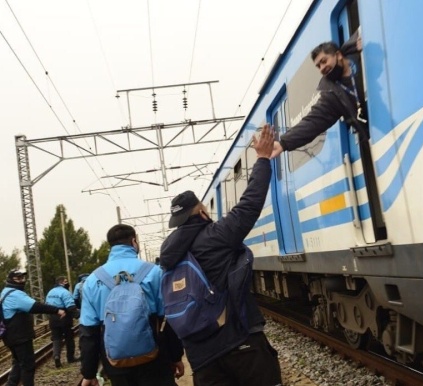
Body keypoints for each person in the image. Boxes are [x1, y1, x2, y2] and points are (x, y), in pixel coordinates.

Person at [160, 125, 282, 386]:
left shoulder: (167, 257)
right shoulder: (216, 235)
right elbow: (250, 205)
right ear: (201, 211)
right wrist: (262, 159)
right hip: (241, 345)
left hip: (202, 360)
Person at [79, 224, 185, 386]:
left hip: (116, 362)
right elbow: (169, 319)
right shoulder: (154, 272)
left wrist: (89, 372)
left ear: (111, 246)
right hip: (154, 357)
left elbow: (88, 333)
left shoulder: (93, 281)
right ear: (134, 242)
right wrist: (176, 357)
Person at [270, 33, 365, 158]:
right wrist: (283, 143)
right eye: (318, 66)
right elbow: (312, 123)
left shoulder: (362, 53)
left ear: (338, 55)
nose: (322, 68)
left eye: (324, 61)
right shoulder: (331, 94)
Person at [1, 269, 66, 386]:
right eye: (19, 278)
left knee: (18, 363)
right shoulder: (15, 294)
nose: (23, 280)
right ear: (11, 280)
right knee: (28, 366)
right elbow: (35, 306)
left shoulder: (5, 292)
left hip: (10, 336)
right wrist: (56, 310)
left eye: (23, 277)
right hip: (20, 337)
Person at [45, 275, 80, 368]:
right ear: (61, 283)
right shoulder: (65, 292)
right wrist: (78, 316)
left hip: (53, 317)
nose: (67, 283)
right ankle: (70, 358)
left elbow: (47, 305)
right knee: (69, 337)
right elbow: (70, 306)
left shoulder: (50, 292)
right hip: (64, 316)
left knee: (56, 338)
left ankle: (56, 356)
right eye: (65, 281)